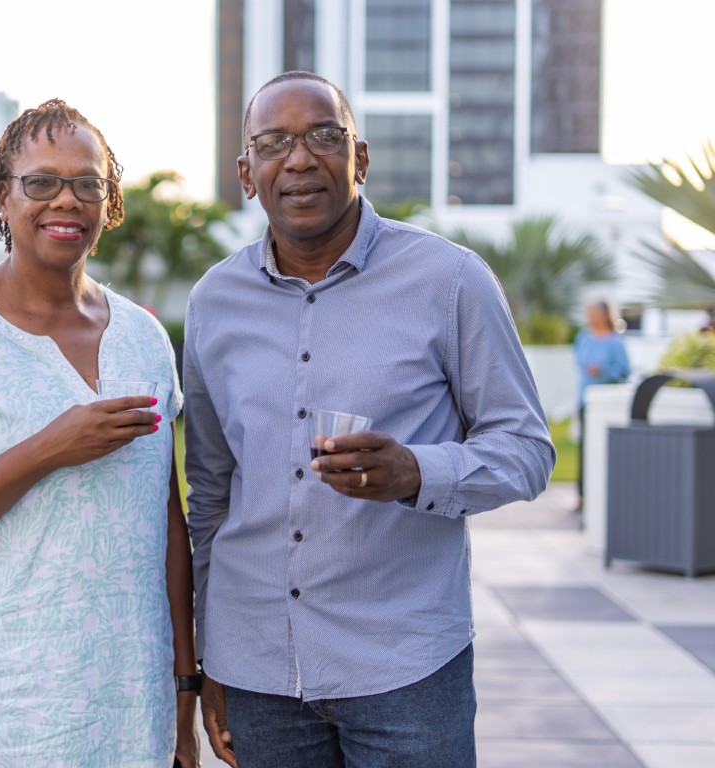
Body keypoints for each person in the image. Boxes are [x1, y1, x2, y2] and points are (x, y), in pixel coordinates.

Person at [183, 72, 555, 768]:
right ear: (246, 174)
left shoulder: (450, 280)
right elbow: (209, 492)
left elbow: (527, 449)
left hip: (406, 669)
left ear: (359, 157)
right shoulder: (213, 301)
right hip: (259, 671)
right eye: (273, 143)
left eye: (324, 136)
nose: (299, 158)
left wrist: (417, 472)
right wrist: (211, 656)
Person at [0, 99, 199, 767]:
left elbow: (166, 523)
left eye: (87, 183)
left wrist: (184, 683)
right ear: (3, 195)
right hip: (3, 713)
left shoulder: (143, 337)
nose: (67, 199)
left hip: (131, 705)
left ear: (109, 202)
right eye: (42, 181)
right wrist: (47, 450)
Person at [573, 299, 630, 510]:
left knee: (605, 451)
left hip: (607, 405)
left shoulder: (616, 341)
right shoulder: (583, 337)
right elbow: (579, 360)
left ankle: (606, 495)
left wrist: (603, 371)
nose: (589, 316)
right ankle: (583, 496)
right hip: (585, 401)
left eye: (593, 312)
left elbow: (624, 370)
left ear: (604, 314)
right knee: (585, 450)